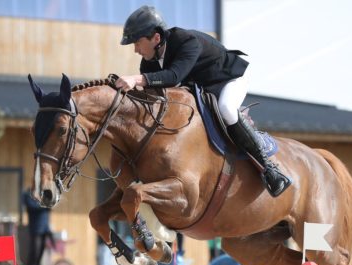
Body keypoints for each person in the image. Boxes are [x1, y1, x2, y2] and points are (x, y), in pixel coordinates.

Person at [115, 5, 291, 197]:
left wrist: (136, 80)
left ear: (156, 38)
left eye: (137, 43)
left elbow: (173, 76)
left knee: (226, 109)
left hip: (229, 78)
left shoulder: (185, 40)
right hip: (203, 87)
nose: (135, 50)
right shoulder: (148, 61)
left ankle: (269, 168)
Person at [22, 189, 54, 265]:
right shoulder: (28, 194)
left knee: (40, 253)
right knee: (35, 252)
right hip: (36, 228)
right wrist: (46, 205)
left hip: (45, 229)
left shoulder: (44, 194)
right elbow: (32, 206)